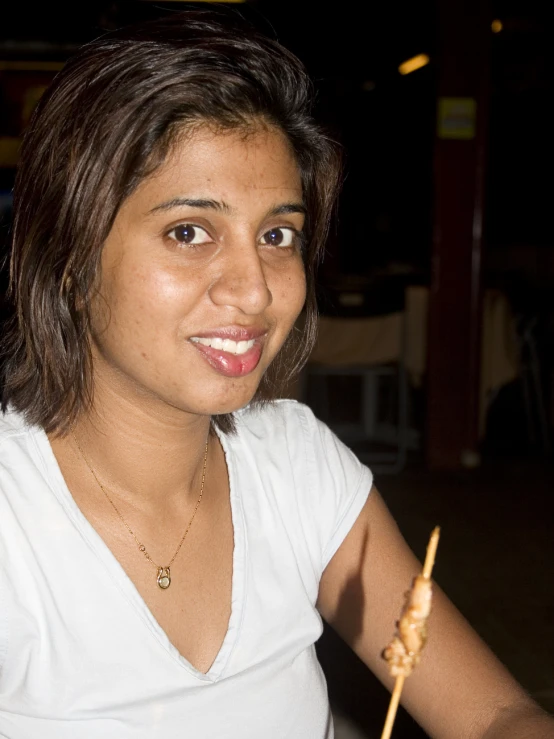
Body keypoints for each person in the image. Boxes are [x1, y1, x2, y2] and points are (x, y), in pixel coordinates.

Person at [0, 10, 552, 739]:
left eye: (277, 235)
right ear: (70, 263)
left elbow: (496, 715)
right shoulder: (16, 518)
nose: (256, 290)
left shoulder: (293, 465)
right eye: (189, 232)